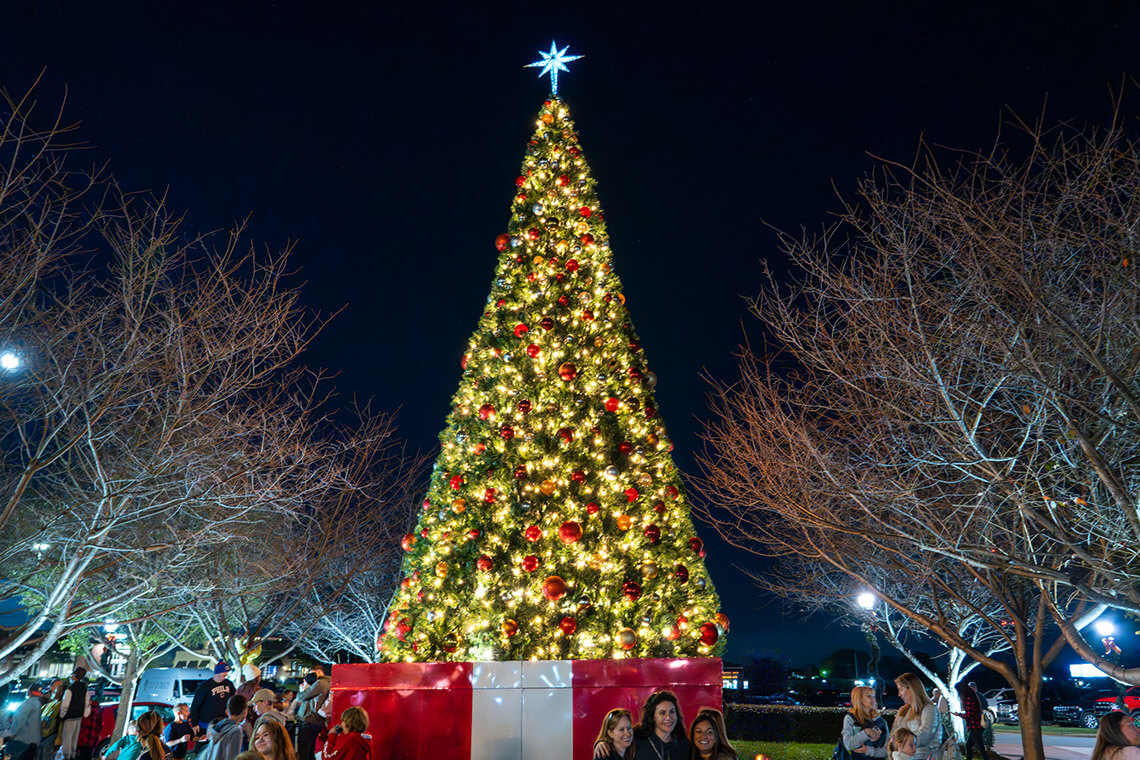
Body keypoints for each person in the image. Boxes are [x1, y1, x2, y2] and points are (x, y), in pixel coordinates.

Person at [893, 674, 941, 760]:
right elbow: (894, 734)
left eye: (901, 690)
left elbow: (926, 735)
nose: (899, 694)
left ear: (911, 689)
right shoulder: (903, 711)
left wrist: (903, 741)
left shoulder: (929, 709)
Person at [191, 663, 237, 739]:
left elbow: (234, 699)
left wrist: (231, 710)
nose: (226, 674)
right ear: (218, 672)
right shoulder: (205, 686)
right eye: (225, 672)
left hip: (223, 721)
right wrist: (195, 723)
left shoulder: (229, 684)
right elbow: (195, 705)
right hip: (206, 723)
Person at [291, 670, 330, 760]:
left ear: (320, 672)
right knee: (310, 752)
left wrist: (304, 689)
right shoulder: (328, 682)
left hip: (309, 720)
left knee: (304, 753)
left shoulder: (320, 683)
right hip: (317, 721)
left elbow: (301, 697)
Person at [842, 686, 888, 758]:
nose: (873, 700)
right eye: (869, 696)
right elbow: (848, 745)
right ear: (859, 699)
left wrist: (870, 751)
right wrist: (866, 733)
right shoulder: (851, 718)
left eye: (874, 696)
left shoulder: (881, 721)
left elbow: (887, 750)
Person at [2, 686, 46, 760]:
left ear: (29, 692)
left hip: (23, 742)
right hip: (35, 742)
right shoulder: (41, 704)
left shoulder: (28, 703)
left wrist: (5, 734)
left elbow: (17, 725)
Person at [59, 668, 91, 760]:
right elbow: (86, 703)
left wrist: (62, 715)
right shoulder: (84, 689)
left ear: (74, 676)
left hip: (70, 717)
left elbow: (65, 705)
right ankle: (72, 755)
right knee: (74, 738)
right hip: (79, 717)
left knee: (67, 738)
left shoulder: (70, 689)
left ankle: (67, 756)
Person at [201, 695, 247, 760]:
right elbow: (233, 756)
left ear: (228, 711)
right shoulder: (236, 730)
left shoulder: (218, 727)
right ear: (244, 711)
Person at [953, 682, 985, 760]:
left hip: (974, 726)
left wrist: (959, 715)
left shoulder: (968, 699)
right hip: (976, 725)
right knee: (969, 745)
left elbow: (969, 715)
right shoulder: (973, 697)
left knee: (980, 747)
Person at [39, 680, 66, 760]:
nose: (52, 691)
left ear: (61, 693)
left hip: (52, 736)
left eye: (56, 690)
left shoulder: (61, 705)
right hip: (44, 734)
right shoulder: (50, 704)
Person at [76, 691, 103, 760]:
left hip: (89, 739)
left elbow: (99, 723)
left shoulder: (95, 708)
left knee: (86, 755)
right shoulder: (80, 708)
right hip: (81, 739)